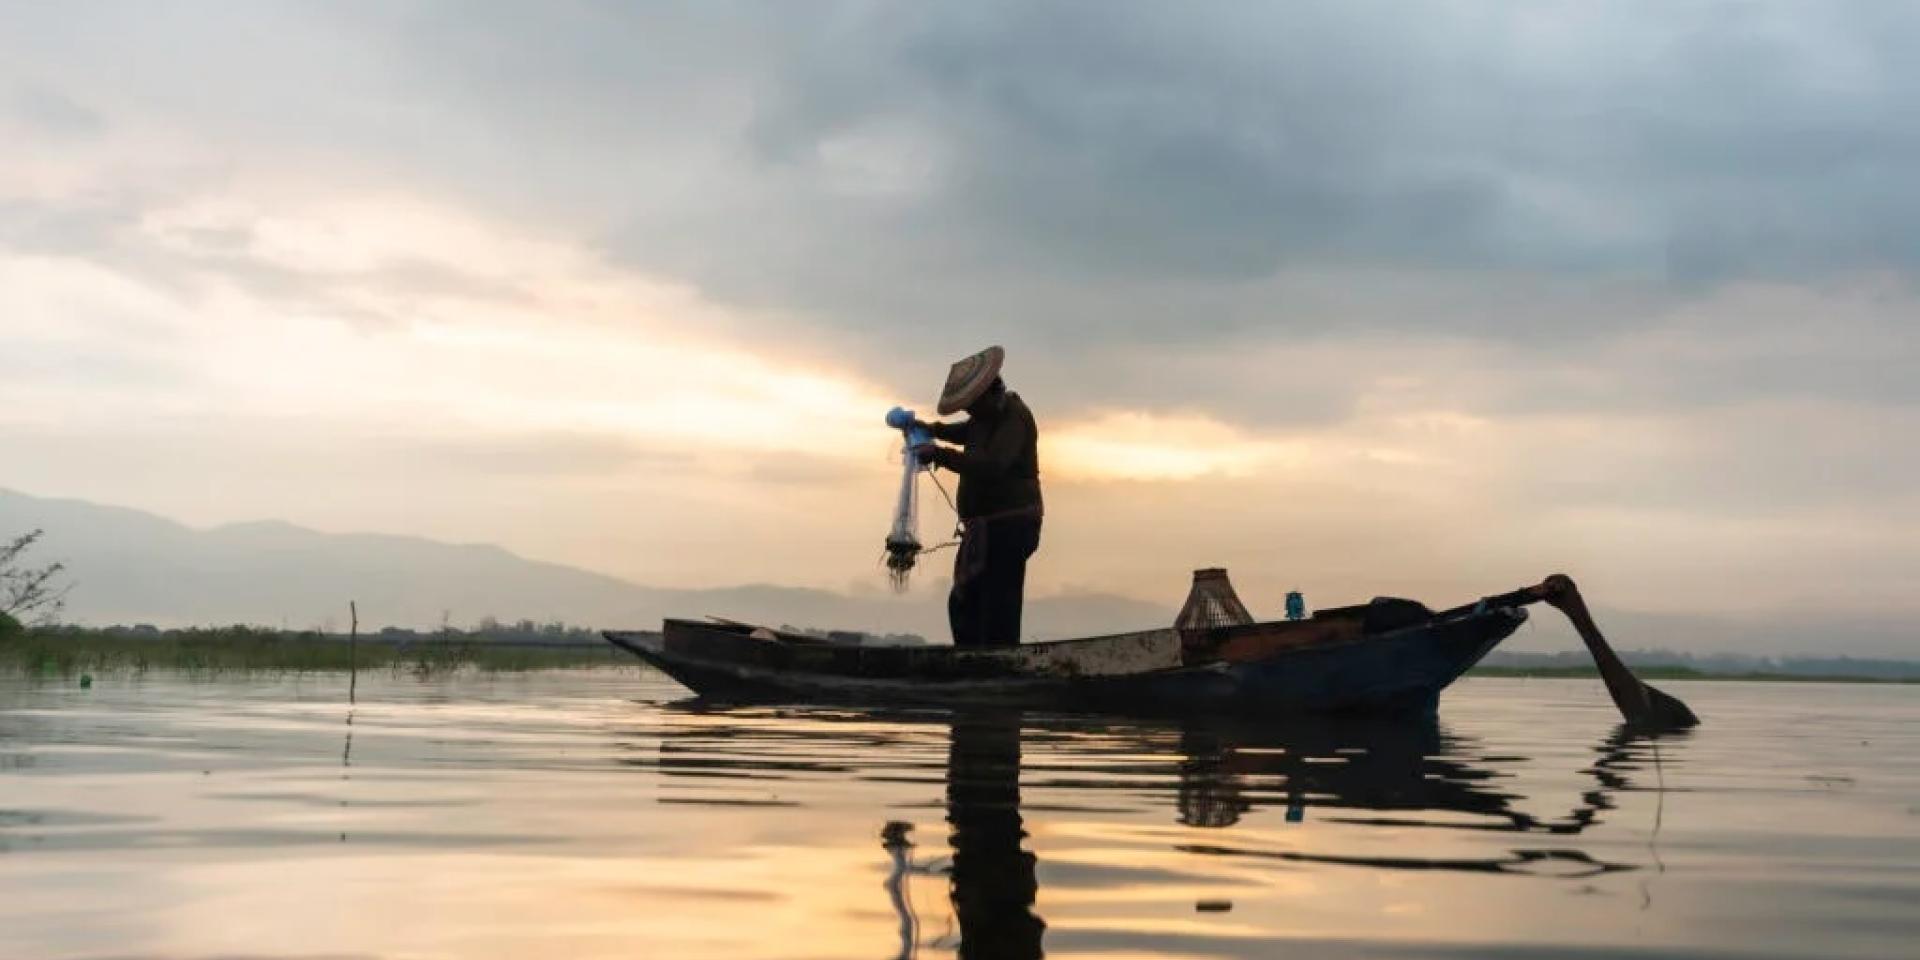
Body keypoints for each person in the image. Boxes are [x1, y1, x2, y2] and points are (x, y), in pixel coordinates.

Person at [913, 346, 1043, 648]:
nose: (969, 412)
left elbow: (994, 465)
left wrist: (940, 455)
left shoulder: (1014, 416)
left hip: (1010, 526)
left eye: (971, 404)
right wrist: (931, 430)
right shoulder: (985, 417)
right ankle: (974, 662)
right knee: (966, 601)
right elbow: (967, 432)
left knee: (998, 606)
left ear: (985, 393)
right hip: (986, 528)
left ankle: (996, 671)